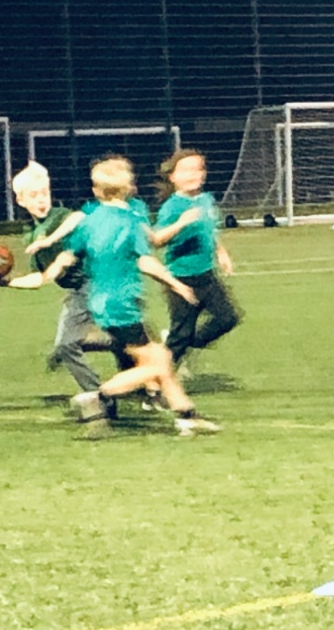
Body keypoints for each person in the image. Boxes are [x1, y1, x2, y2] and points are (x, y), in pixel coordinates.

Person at [26, 156, 218, 435]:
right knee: (158, 362)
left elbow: (69, 254)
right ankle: (98, 396)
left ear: (97, 190)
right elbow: (144, 260)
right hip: (122, 305)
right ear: (127, 188)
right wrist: (174, 283)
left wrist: (47, 273)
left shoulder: (90, 220)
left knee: (158, 359)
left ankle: (186, 415)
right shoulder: (130, 221)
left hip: (100, 302)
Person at [5, 161, 125, 418]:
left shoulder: (58, 217)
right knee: (75, 344)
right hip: (79, 290)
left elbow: (78, 217)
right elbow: (41, 278)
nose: (41, 199)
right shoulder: (31, 233)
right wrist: (6, 281)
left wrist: (50, 239)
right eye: (33, 195)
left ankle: (101, 397)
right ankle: (126, 351)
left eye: (44, 193)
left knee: (66, 345)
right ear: (20, 200)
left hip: (96, 283)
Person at [150, 149, 240, 370]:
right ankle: (155, 381)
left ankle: (190, 344)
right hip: (182, 280)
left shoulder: (205, 200)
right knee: (180, 335)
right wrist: (180, 223)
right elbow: (157, 240)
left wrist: (221, 253)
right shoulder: (173, 206)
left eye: (197, 169)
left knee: (227, 318)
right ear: (173, 177)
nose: (192, 175)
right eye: (185, 170)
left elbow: (209, 230)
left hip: (206, 276)